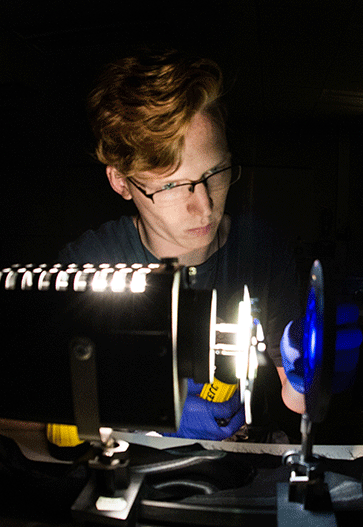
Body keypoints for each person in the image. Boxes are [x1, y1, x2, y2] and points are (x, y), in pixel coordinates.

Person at [58, 48, 305, 441]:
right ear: (121, 182)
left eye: (216, 172)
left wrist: (313, 366)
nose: (204, 206)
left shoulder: (262, 254)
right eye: (172, 185)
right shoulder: (89, 266)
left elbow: (298, 402)